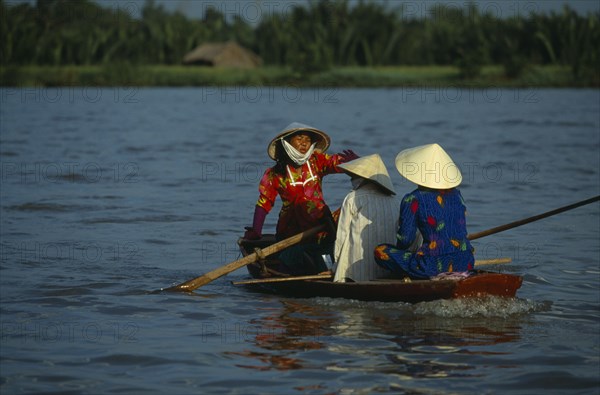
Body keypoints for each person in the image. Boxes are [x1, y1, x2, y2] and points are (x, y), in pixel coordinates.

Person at [244, 122, 358, 275]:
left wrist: (354, 163)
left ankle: (327, 270)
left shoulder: (316, 161)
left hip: (321, 228)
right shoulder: (275, 174)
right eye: (299, 138)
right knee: (290, 259)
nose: (304, 143)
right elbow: (264, 203)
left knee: (327, 254)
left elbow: (335, 163)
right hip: (291, 231)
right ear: (287, 143)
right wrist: (256, 231)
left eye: (308, 140)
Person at [374, 143, 474, 279]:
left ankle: (410, 275)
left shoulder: (413, 199)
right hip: (466, 261)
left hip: (432, 264)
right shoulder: (457, 195)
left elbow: (405, 240)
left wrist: (401, 252)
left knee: (381, 251)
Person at [332, 154, 400, 282]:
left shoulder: (353, 198)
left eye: (354, 176)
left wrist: (336, 266)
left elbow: (342, 235)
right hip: (386, 267)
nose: (352, 179)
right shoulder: (395, 201)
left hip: (355, 271)